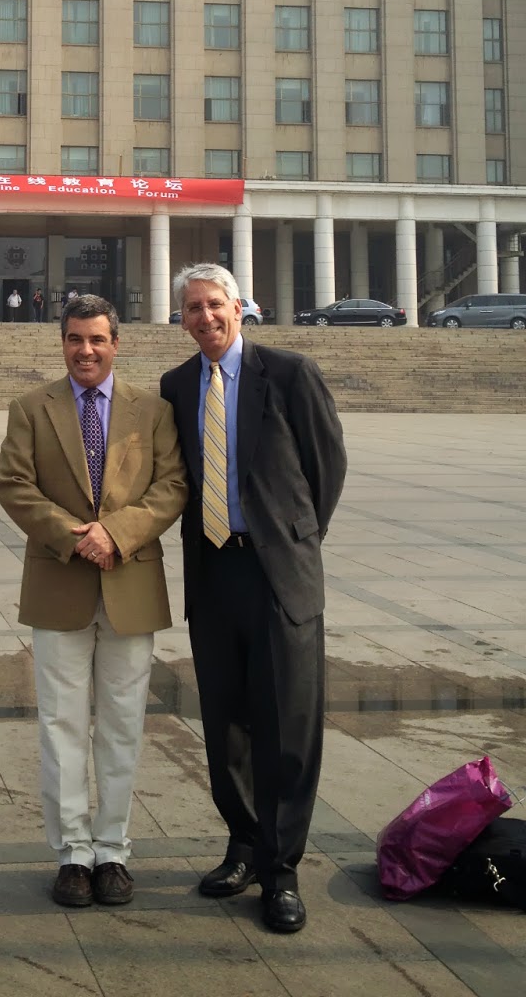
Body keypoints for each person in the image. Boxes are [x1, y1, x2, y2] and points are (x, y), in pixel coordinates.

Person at [159, 263, 347, 936]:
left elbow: (327, 468)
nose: (204, 318)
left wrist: (293, 537)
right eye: (191, 309)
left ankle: (282, 870)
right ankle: (242, 845)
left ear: (240, 306)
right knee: (226, 724)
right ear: (180, 318)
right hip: (212, 575)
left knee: (286, 727)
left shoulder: (289, 374)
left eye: (214, 305)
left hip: (276, 574)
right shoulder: (176, 385)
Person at [0, 294, 187, 909]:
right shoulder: (31, 408)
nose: (86, 350)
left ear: (116, 342)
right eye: (76, 339)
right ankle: (73, 853)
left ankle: (113, 851)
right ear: (63, 342)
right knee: (61, 725)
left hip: (130, 582)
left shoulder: (152, 410)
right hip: (60, 582)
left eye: (97, 339)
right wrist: (77, 537)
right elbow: (14, 486)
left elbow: (173, 485)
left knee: (123, 725)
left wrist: (118, 535)